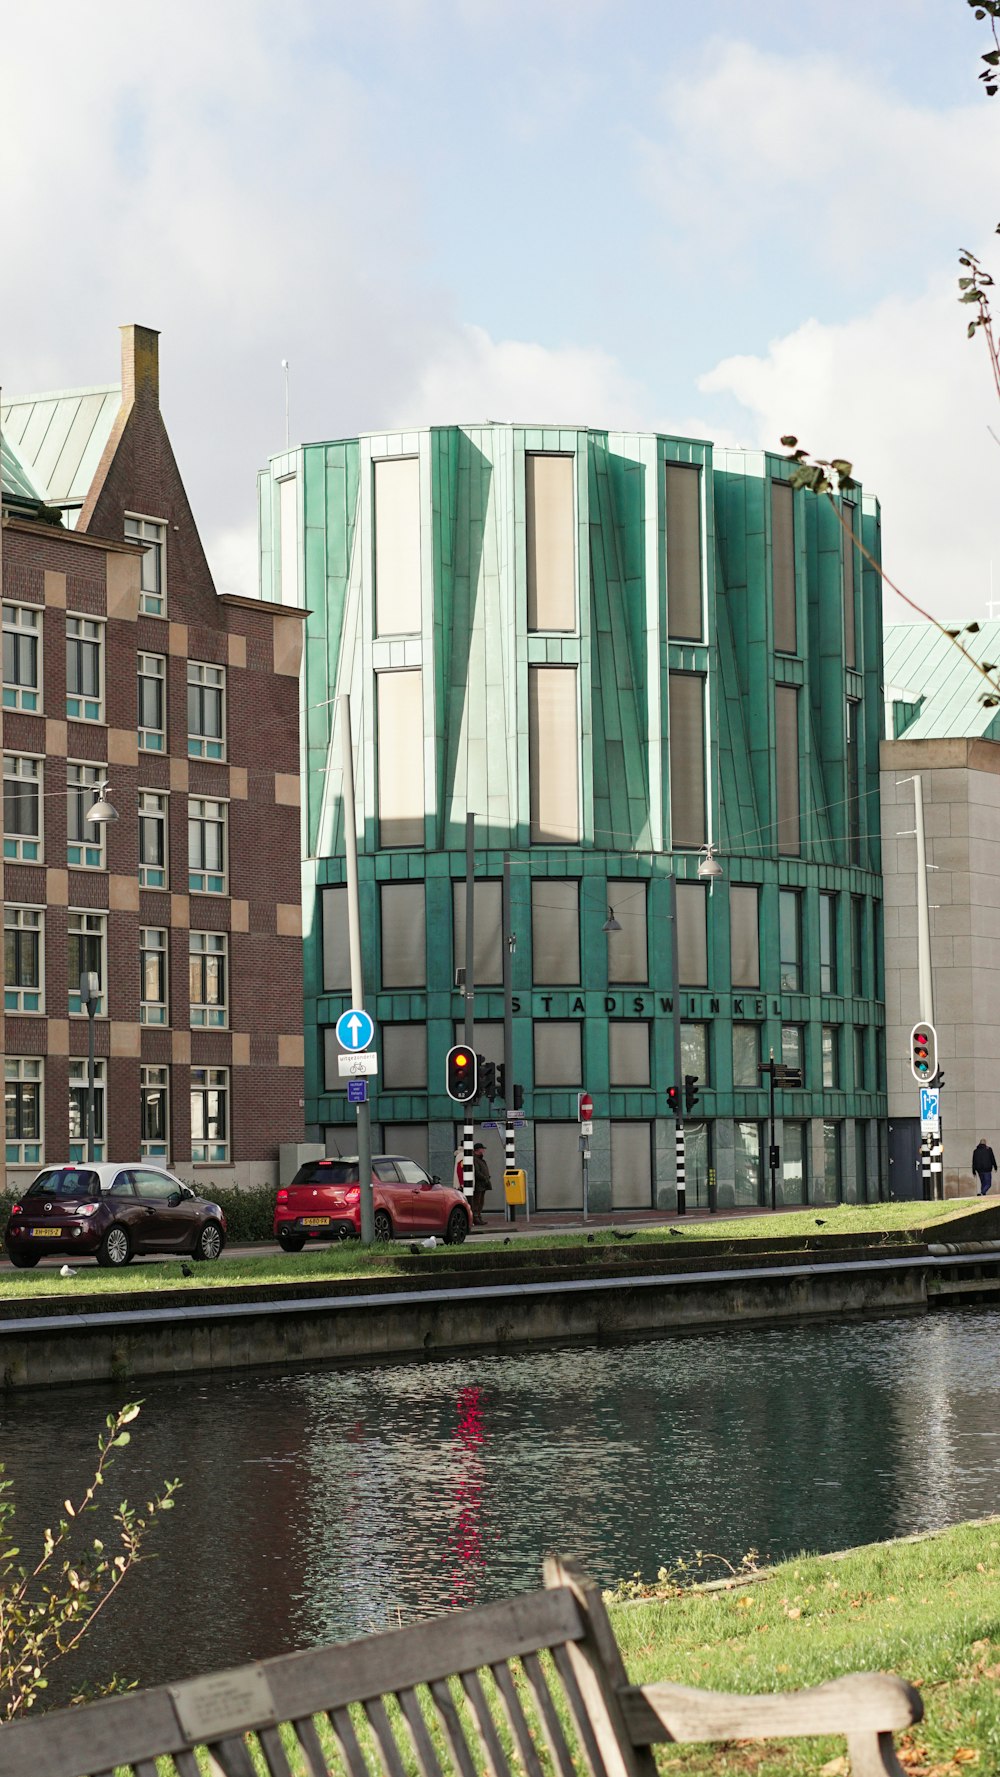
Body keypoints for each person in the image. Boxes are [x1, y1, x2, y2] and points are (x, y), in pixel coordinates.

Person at [471, 1142, 492, 1226]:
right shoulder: (475, 1159)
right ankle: (476, 1217)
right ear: (478, 1150)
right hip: (479, 1184)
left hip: (483, 1184)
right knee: (477, 1201)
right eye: (482, 1149)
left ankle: (478, 1216)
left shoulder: (480, 1159)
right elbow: (477, 1172)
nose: (483, 1150)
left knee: (481, 1201)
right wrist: (484, 1178)